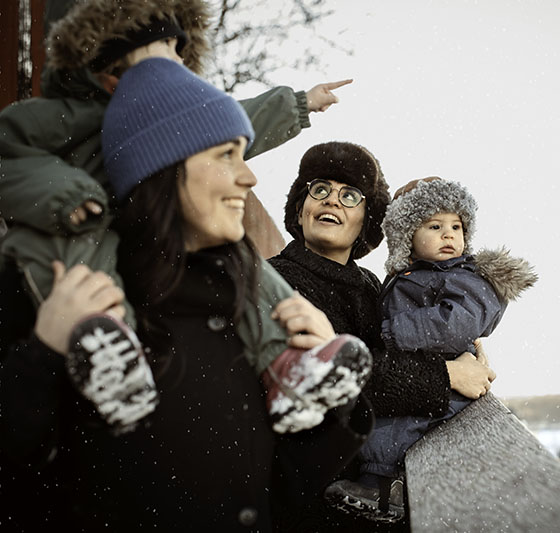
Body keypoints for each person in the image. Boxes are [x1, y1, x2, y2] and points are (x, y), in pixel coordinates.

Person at [0, 56, 373, 531]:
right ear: (163, 162)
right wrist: (41, 358)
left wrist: (333, 405)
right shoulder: (51, 294)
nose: (249, 177)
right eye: (226, 155)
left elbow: (276, 492)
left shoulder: (246, 305)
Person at [0, 0, 353, 433]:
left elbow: (228, 130)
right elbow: (9, 153)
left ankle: (287, 361)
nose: (173, 61)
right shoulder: (65, 118)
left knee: (245, 265)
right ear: (104, 62)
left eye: (174, 48)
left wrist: (296, 105)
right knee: (79, 263)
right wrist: (64, 193)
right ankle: (111, 350)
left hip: (152, 231)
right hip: (85, 220)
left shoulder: (176, 119)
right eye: (156, 49)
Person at [268, 144, 502, 531]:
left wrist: (466, 356)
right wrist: (447, 376)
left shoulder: (372, 286)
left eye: (350, 195)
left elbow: (395, 353)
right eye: (319, 189)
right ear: (300, 208)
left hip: (374, 497)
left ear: (367, 220)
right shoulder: (274, 281)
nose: (332, 200)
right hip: (309, 494)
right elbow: (333, 376)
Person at [324, 176, 538, 522]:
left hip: (445, 386)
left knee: (393, 430)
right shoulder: (417, 275)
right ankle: (388, 487)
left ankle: (382, 490)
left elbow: (457, 325)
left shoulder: (463, 276)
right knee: (386, 424)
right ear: (407, 237)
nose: (448, 235)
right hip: (423, 378)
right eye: (435, 226)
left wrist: (394, 332)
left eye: (456, 226)